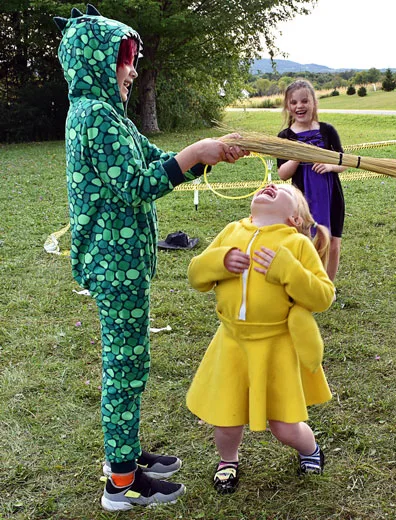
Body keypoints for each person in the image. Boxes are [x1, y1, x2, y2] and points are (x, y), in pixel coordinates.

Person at [53, 5, 247, 511]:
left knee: (130, 359)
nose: (133, 70)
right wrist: (195, 155)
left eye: (133, 60)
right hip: (114, 266)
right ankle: (120, 483)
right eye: (126, 60)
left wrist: (206, 151)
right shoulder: (95, 118)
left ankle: (128, 453)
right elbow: (138, 186)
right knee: (124, 365)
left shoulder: (104, 116)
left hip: (123, 263)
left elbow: (157, 161)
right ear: (97, 62)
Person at [186, 183, 335, 493]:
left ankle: (310, 450)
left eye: (282, 189)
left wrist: (287, 269)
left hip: (275, 344)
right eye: (268, 186)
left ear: (294, 218)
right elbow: (196, 274)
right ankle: (228, 461)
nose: (270, 186)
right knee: (225, 418)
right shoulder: (231, 231)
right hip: (232, 342)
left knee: (284, 426)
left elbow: (322, 296)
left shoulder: (297, 244)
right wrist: (221, 261)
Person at [277, 79, 346, 281]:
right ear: (288, 107)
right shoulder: (285, 136)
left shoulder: (327, 131)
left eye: (305, 101)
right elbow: (283, 173)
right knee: (305, 242)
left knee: (333, 242)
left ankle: (327, 287)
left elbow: (344, 161)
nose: (300, 106)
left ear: (313, 103)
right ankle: (307, 285)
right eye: (294, 102)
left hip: (330, 193)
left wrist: (330, 166)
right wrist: (298, 155)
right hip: (302, 198)